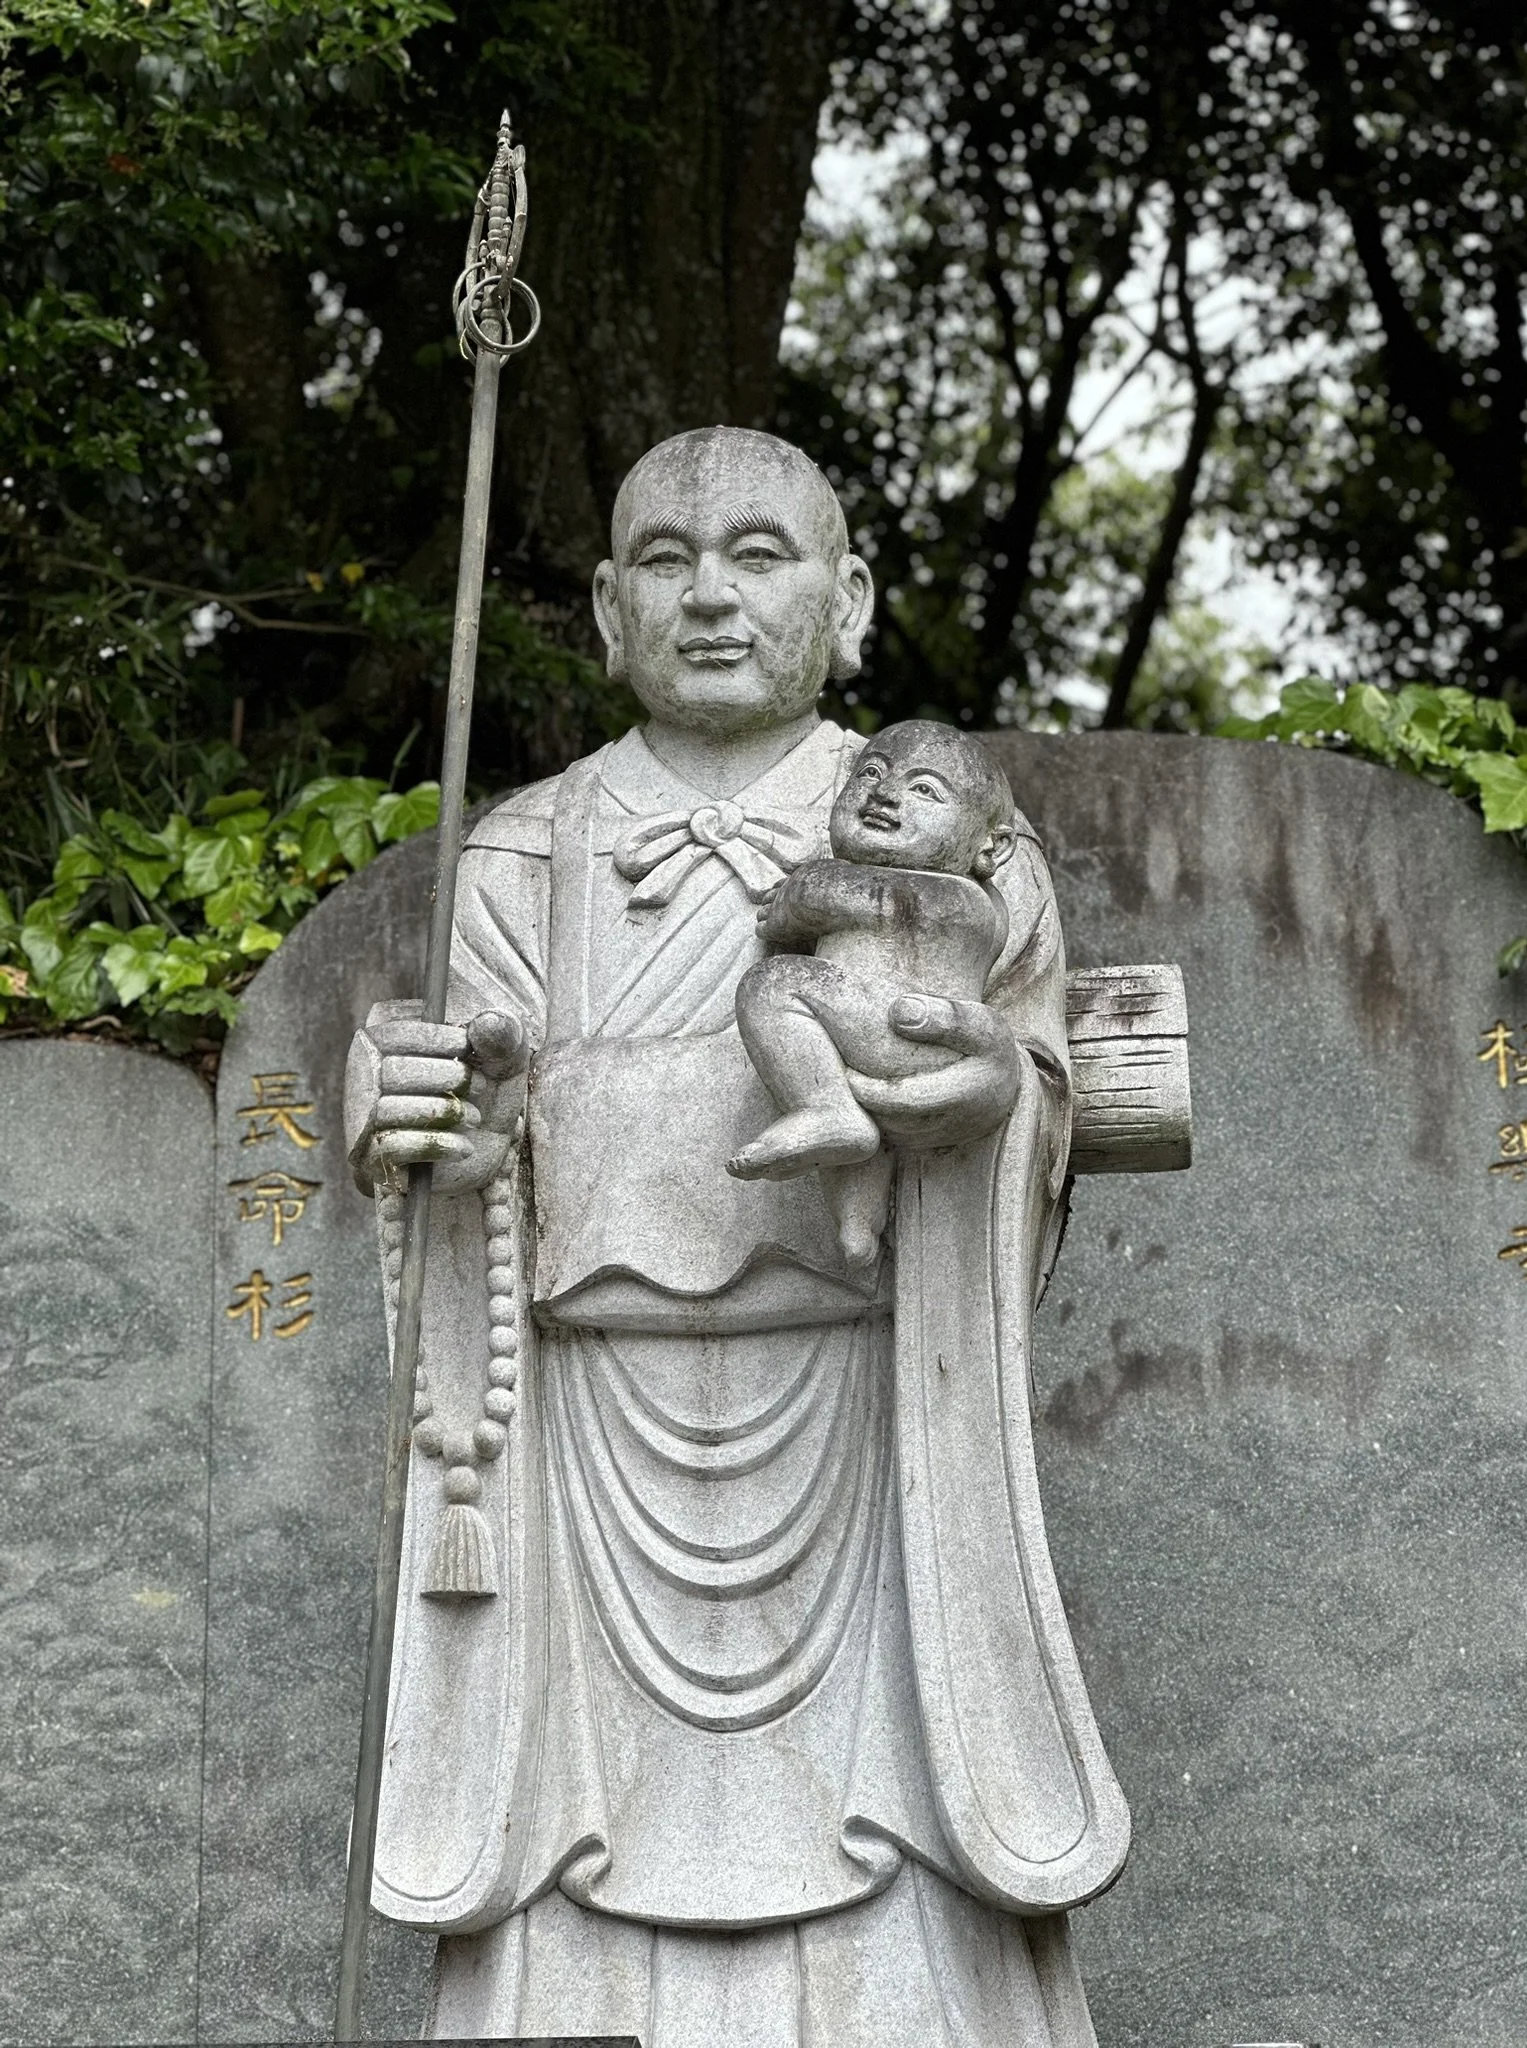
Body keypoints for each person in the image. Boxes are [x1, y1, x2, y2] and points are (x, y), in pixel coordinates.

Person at [344, 425, 1128, 2048]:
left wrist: (989, 1100)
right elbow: (476, 1134)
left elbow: (1030, 1098)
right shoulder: (521, 852)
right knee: (574, 1888)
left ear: (849, 600)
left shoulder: (964, 846)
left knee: (906, 1889)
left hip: (871, 1429)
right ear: (607, 613)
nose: (711, 595)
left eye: (759, 556)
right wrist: (434, 1127)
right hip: (587, 1448)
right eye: (666, 559)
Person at [730, 719, 1031, 1267]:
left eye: (925, 789)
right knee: (858, 1141)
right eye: (870, 772)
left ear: (993, 846)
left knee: (772, 985)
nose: (885, 793)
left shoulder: (955, 897)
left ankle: (823, 1108)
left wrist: (794, 896)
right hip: (905, 1045)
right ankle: (857, 1225)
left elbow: (816, 898)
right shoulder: (984, 907)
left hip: (899, 1027)